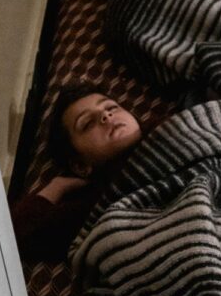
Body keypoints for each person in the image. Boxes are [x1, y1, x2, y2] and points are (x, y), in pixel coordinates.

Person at [10, 85, 144, 261]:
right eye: (87, 123)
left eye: (111, 107)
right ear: (80, 166)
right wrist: (58, 186)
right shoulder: (99, 200)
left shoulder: (170, 125)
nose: (106, 115)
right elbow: (17, 235)